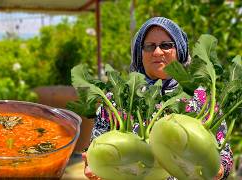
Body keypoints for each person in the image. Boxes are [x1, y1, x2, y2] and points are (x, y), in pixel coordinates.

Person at [82, 17, 233, 180]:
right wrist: (94, 166)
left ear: (180, 51)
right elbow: (97, 144)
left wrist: (219, 169)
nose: (157, 52)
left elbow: (224, 154)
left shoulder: (202, 98)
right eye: (149, 46)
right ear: (140, 53)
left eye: (166, 45)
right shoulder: (117, 99)